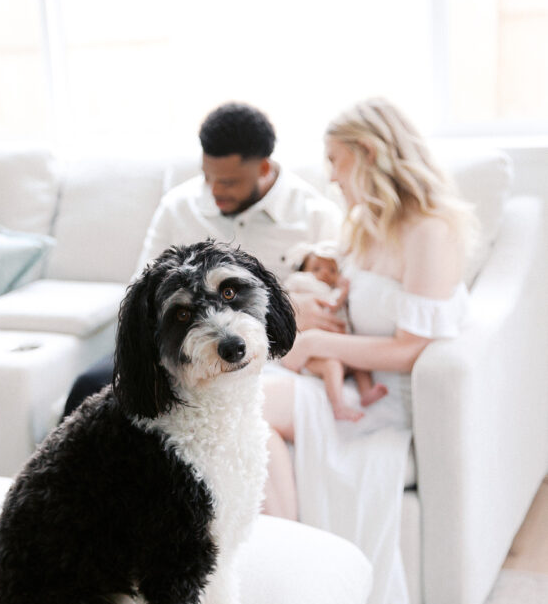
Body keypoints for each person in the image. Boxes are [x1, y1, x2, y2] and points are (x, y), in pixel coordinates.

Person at [263, 98, 475, 604]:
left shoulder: (430, 231)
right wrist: (313, 312)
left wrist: (314, 343)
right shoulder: (363, 224)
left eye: (336, 160)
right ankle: (279, 579)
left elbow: (411, 349)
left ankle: (283, 583)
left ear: (369, 154)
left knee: (245, 408)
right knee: (236, 415)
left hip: (384, 400)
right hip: (345, 380)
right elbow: (349, 302)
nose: (331, 176)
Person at [63, 102, 342, 416]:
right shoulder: (178, 207)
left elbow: (335, 303)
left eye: (229, 182)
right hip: (183, 348)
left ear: (263, 169)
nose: (214, 191)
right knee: (89, 385)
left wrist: (291, 311)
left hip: (267, 353)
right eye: (208, 177)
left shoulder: (317, 217)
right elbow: (141, 293)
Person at [282, 240, 387, 421]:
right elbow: (331, 304)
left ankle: (366, 391)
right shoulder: (308, 284)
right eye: (316, 268)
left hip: (334, 347)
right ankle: (338, 407)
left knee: (359, 361)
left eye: (332, 270)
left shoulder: (331, 288)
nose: (325, 273)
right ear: (304, 270)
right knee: (332, 365)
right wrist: (343, 290)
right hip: (312, 357)